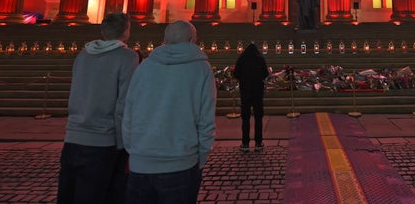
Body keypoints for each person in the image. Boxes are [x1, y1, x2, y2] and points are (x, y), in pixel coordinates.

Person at [123, 20, 216, 204]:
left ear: (164, 39)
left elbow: (129, 112)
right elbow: (206, 117)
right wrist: (201, 157)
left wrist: (133, 150)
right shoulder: (201, 68)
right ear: (193, 39)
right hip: (181, 162)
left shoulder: (145, 67)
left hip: (141, 161)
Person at [57, 12, 139, 204]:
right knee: (102, 195)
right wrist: (123, 142)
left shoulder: (83, 55)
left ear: (102, 30)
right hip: (103, 141)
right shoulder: (127, 57)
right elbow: (124, 103)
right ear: (126, 31)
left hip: (73, 138)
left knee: (69, 194)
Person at [233, 43, 269, 151]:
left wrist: (244, 79)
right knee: (258, 117)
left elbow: (236, 74)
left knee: (245, 118)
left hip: (245, 91)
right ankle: (258, 142)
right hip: (258, 91)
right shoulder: (260, 58)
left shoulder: (242, 59)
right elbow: (265, 73)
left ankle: (245, 143)